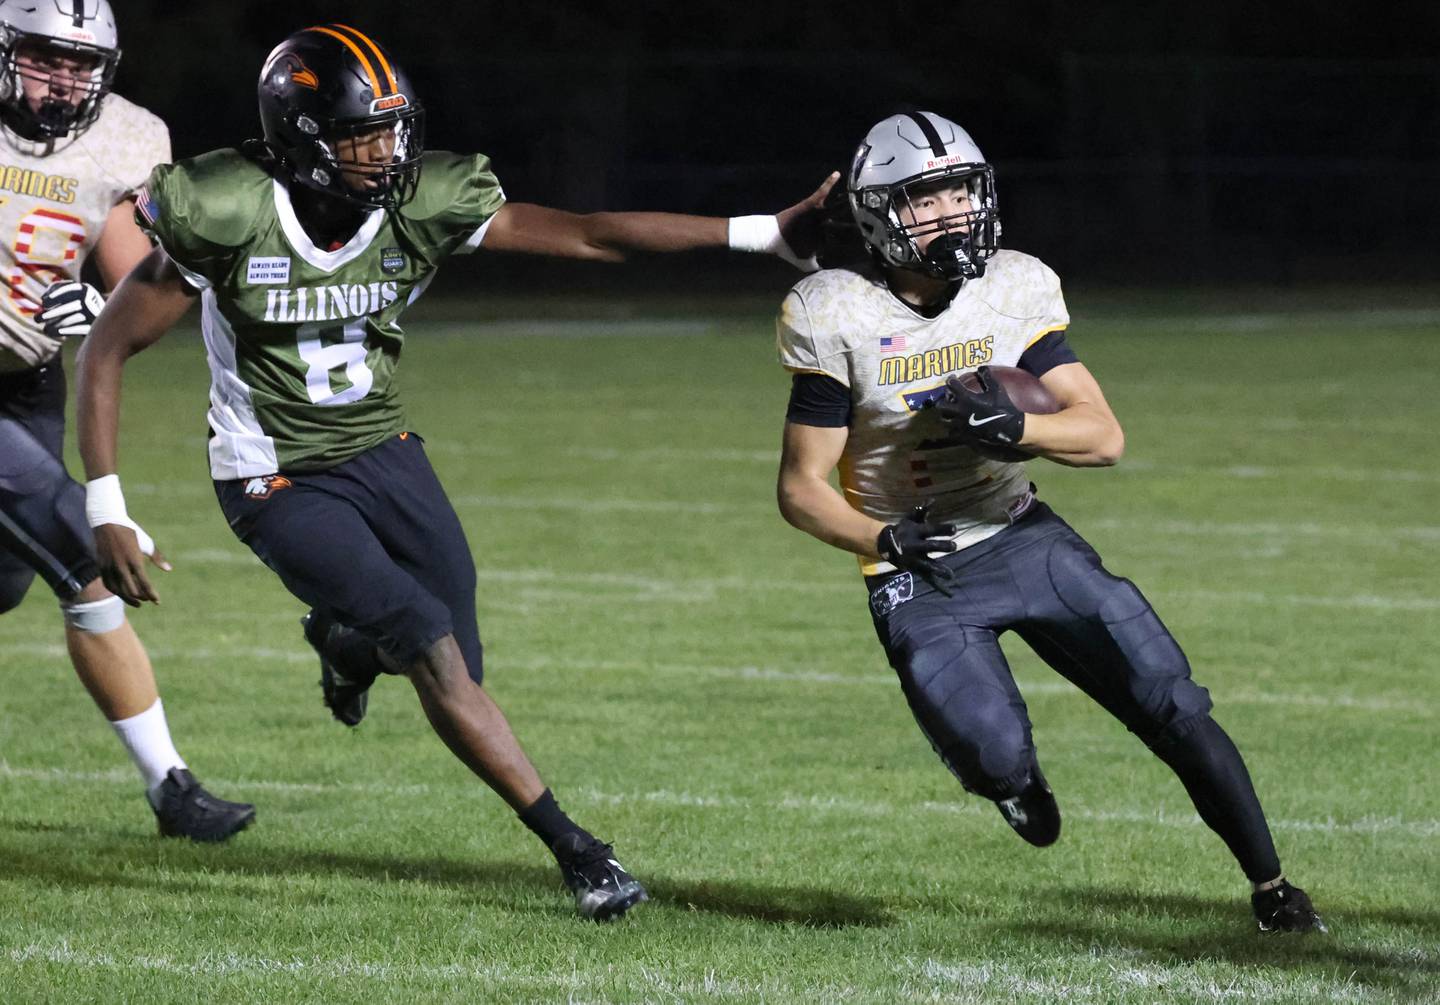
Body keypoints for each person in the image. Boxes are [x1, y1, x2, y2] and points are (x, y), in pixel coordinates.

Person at [74, 23, 834, 920]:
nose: (388, 152)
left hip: (383, 447)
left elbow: (590, 237)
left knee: (453, 655)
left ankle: (345, 643)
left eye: (394, 130)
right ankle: (578, 847)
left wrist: (764, 235)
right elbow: (106, 352)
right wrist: (108, 501)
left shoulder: (419, 198)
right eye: (364, 135)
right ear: (303, 140)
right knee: (429, 643)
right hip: (272, 473)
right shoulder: (227, 206)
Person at [771, 110, 1324, 933]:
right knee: (993, 755)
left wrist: (1016, 429)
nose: (955, 212)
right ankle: (1014, 782)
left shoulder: (1013, 287)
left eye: (962, 189)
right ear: (880, 213)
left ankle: (1274, 888)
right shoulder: (834, 311)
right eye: (927, 198)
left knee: (1173, 700)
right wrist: (878, 539)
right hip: (919, 567)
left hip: (1023, 533)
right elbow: (801, 487)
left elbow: (1102, 436)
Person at [0, 0, 254, 841]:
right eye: (43, 57)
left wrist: (99, 307)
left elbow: (138, 281)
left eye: (80, 63)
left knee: (5, 585)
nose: (62, 78)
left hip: (28, 383)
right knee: (85, 553)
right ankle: (171, 788)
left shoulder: (130, 136)